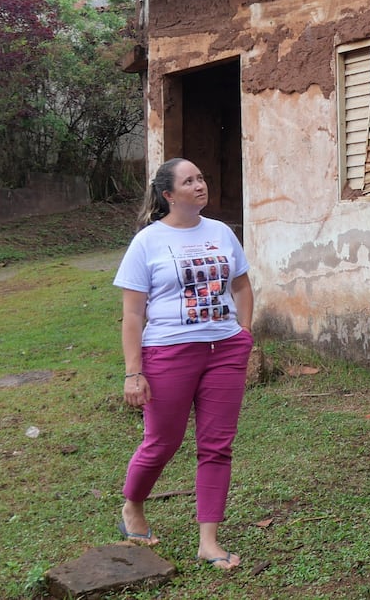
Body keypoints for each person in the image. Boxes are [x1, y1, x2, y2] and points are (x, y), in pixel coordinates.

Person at [115, 157, 254, 571]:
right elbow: (133, 314)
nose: (199, 185)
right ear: (168, 195)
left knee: (217, 446)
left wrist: (243, 333)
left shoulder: (221, 232)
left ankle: (209, 542)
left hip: (225, 351)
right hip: (168, 353)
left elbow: (242, 285)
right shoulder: (148, 242)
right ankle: (133, 508)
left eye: (201, 177)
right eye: (189, 180)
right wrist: (133, 372)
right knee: (162, 440)